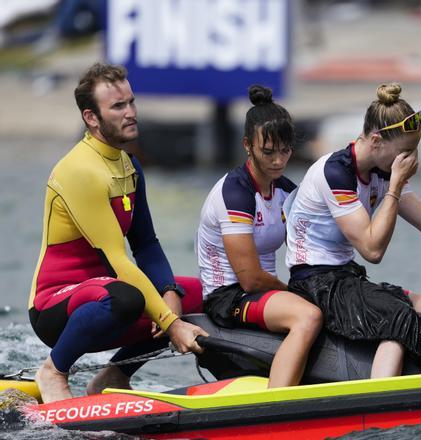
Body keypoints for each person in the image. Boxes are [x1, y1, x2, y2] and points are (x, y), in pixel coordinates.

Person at [28, 62, 208, 403]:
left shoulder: (129, 165)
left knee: (197, 293)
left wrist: (170, 292)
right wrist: (171, 324)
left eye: (131, 102)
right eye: (118, 106)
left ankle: (115, 375)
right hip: (57, 305)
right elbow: (118, 260)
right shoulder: (80, 170)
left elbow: (147, 244)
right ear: (91, 118)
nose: (131, 113)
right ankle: (53, 370)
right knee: (129, 297)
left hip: (108, 293)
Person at [285, 83, 421, 378]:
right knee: (399, 321)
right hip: (315, 284)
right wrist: (394, 187)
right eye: (405, 152)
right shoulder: (336, 173)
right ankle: (382, 403)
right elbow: (372, 249)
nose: (411, 160)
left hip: (347, 278)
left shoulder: (382, 170)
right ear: (377, 141)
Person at [197, 85, 323, 388]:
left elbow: (319, 242)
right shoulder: (236, 193)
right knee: (309, 317)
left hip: (264, 295)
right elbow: (251, 279)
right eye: (268, 152)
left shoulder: (286, 190)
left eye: (285, 151)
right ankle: (275, 401)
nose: (278, 161)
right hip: (229, 296)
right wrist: (295, 293)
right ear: (247, 146)